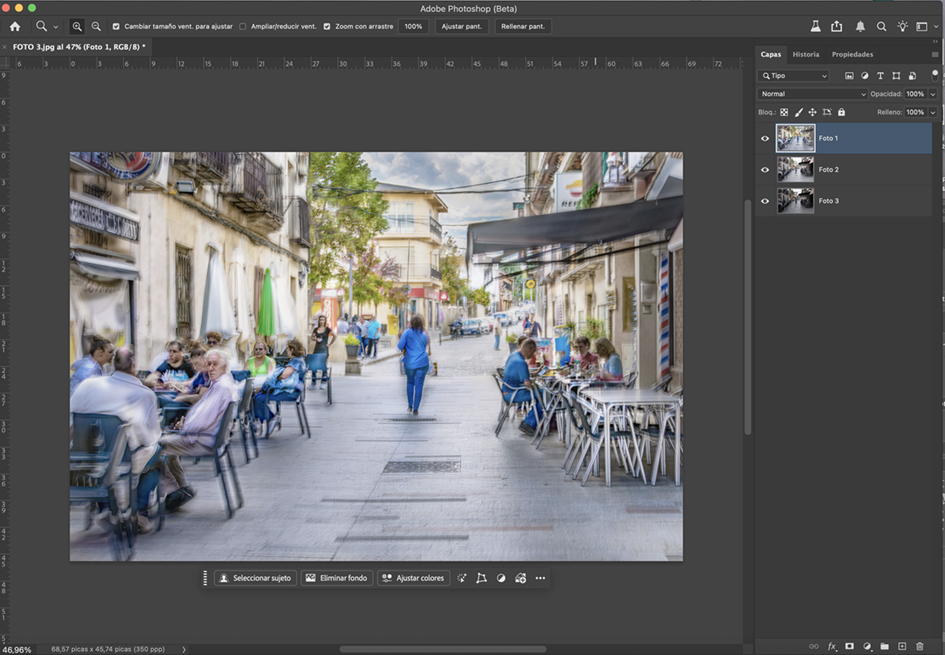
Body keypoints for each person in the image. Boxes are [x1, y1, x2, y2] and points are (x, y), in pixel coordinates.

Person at [70, 347, 163, 533]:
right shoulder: (144, 394)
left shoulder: (88, 385)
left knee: (104, 460)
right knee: (158, 455)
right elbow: (151, 437)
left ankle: (108, 509)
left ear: (113, 364)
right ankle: (139, 512)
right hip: (122, 461)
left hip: (83, 460)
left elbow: (71, 421)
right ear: (134, 366)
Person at [159, 348, 240, 511]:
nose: (210, 368)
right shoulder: (222, 382)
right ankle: (181, 489)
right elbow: (202, 414)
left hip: (202, 440)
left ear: (224, 366)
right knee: (165, 446)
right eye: (208, 364)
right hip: (208, 437)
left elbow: (201, 422)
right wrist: (186, 422)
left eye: (215, 364)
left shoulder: (221, 387)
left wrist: (185, 426)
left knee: (154, 447)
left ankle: (172, 490)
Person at [253, 339, 305, 436]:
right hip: (290, 390)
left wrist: (276, 376)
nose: (287, 351)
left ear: (292, 350)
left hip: (290, 392)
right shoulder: (298, 360)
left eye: (288, 349)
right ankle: (265, 419)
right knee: (257, 396)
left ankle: (270, 418)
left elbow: (285, 375)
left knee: (258, 398)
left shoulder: (296, 361)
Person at [501, 338, 543, 437]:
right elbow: (527, 384)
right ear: (530, 350)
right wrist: (536, 387)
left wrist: (534, 374)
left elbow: (519, 375)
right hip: (513, 394)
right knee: (545, 395)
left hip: (507, 391)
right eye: (534, 352)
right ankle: (529, 423)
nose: (533, 355)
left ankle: (533, 420)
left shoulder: (513, 355)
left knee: (541, 394)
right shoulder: (521, 363)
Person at [398, 315, 432, 415]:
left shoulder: (406, 333)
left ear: (411, 323)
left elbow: (400, 346)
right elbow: (425, 345)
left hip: (410, 362)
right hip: (422, 362)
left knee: (410, 382)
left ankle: (410, 405)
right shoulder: (425, 334)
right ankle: (416, 409)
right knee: (419, 385)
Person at [309, 315, 334, 390]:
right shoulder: (316, 329)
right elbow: (312, 337)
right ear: (319, 321)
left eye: (323, 320)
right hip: (316, 349)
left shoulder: (327, 329)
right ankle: (313, 382)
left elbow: (335, 336)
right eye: (320, 320)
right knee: (313, 365)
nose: (321, 321)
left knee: (323, 365)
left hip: (324, 350)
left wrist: (329, 344)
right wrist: (316, 339)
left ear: (325, 321)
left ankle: (323, 381)